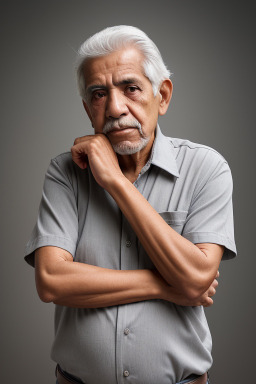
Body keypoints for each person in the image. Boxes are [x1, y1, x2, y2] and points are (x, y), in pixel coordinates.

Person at [24, 25, 236, 384]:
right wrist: (162, 284)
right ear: (88, 108)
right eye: (98, 94)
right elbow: (51, 281)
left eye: (131, 88)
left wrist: (115, 183)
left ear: (163, 95)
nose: (115, 108)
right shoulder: (65, 172)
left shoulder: (207, 168)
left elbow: (197, 278)